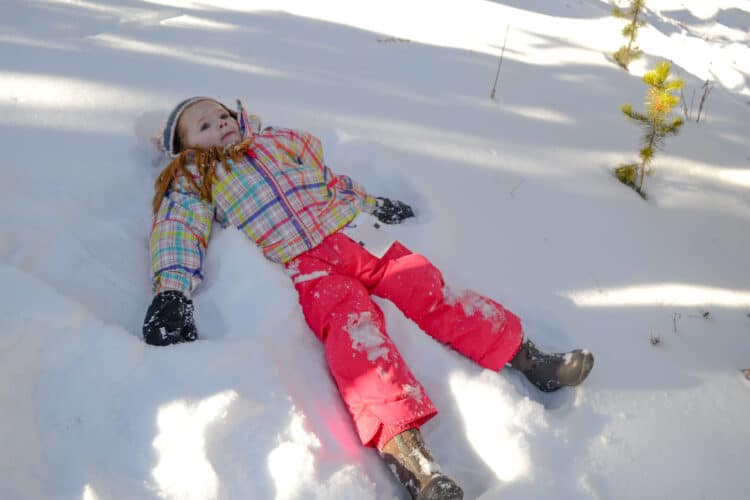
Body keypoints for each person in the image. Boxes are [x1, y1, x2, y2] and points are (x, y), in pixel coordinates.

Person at [142, 97, 595, 500]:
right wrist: (172, 291)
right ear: (185, 150)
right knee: (355, 334)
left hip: (359, 236)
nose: (220, 124)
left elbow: (327, 182)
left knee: (429, 288)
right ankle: (412, 458)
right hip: (307, 266)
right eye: (204, 126)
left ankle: (528, 356)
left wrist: (373, 204)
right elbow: (179, 227)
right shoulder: (197, 176)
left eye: (222, 114)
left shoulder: (275, 144)